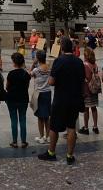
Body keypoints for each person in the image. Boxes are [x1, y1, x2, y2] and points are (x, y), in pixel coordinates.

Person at [38, 37, 85, 165]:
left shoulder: (59, 61)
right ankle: (70, 155)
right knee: (71, 127)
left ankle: (51, 152)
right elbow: (83, 82)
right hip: (75, 98)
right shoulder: (79, 62)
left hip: (61, 99)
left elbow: (51, 82)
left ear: (62, 48)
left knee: (54, 127)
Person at [6, 52, 31, 148]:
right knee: (23, 119)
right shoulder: (26, 74)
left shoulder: (11, 74)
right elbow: (27, 86)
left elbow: (7, 87)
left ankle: (15, 141)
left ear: (14, 62)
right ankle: (24, 141)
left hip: (12, 98)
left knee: (13, 120)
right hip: (23, 98)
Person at [30, 50, 51, 144]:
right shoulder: (49, 67)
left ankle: (42, 136)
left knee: (40, 117)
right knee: (47, 116)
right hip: (48, 92)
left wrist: (33, 64)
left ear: (38, 58)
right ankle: (48, 136)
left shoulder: (36, 70)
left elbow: (30, 74)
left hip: (39, 93)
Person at [79, 48, 100, 135]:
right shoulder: (95, 64)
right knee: (94, 108)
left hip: (87, 90)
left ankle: (86, 127)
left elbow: (86, 78)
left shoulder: (85, 65)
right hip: (94, 90)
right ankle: (95, 127)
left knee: (86, 109)